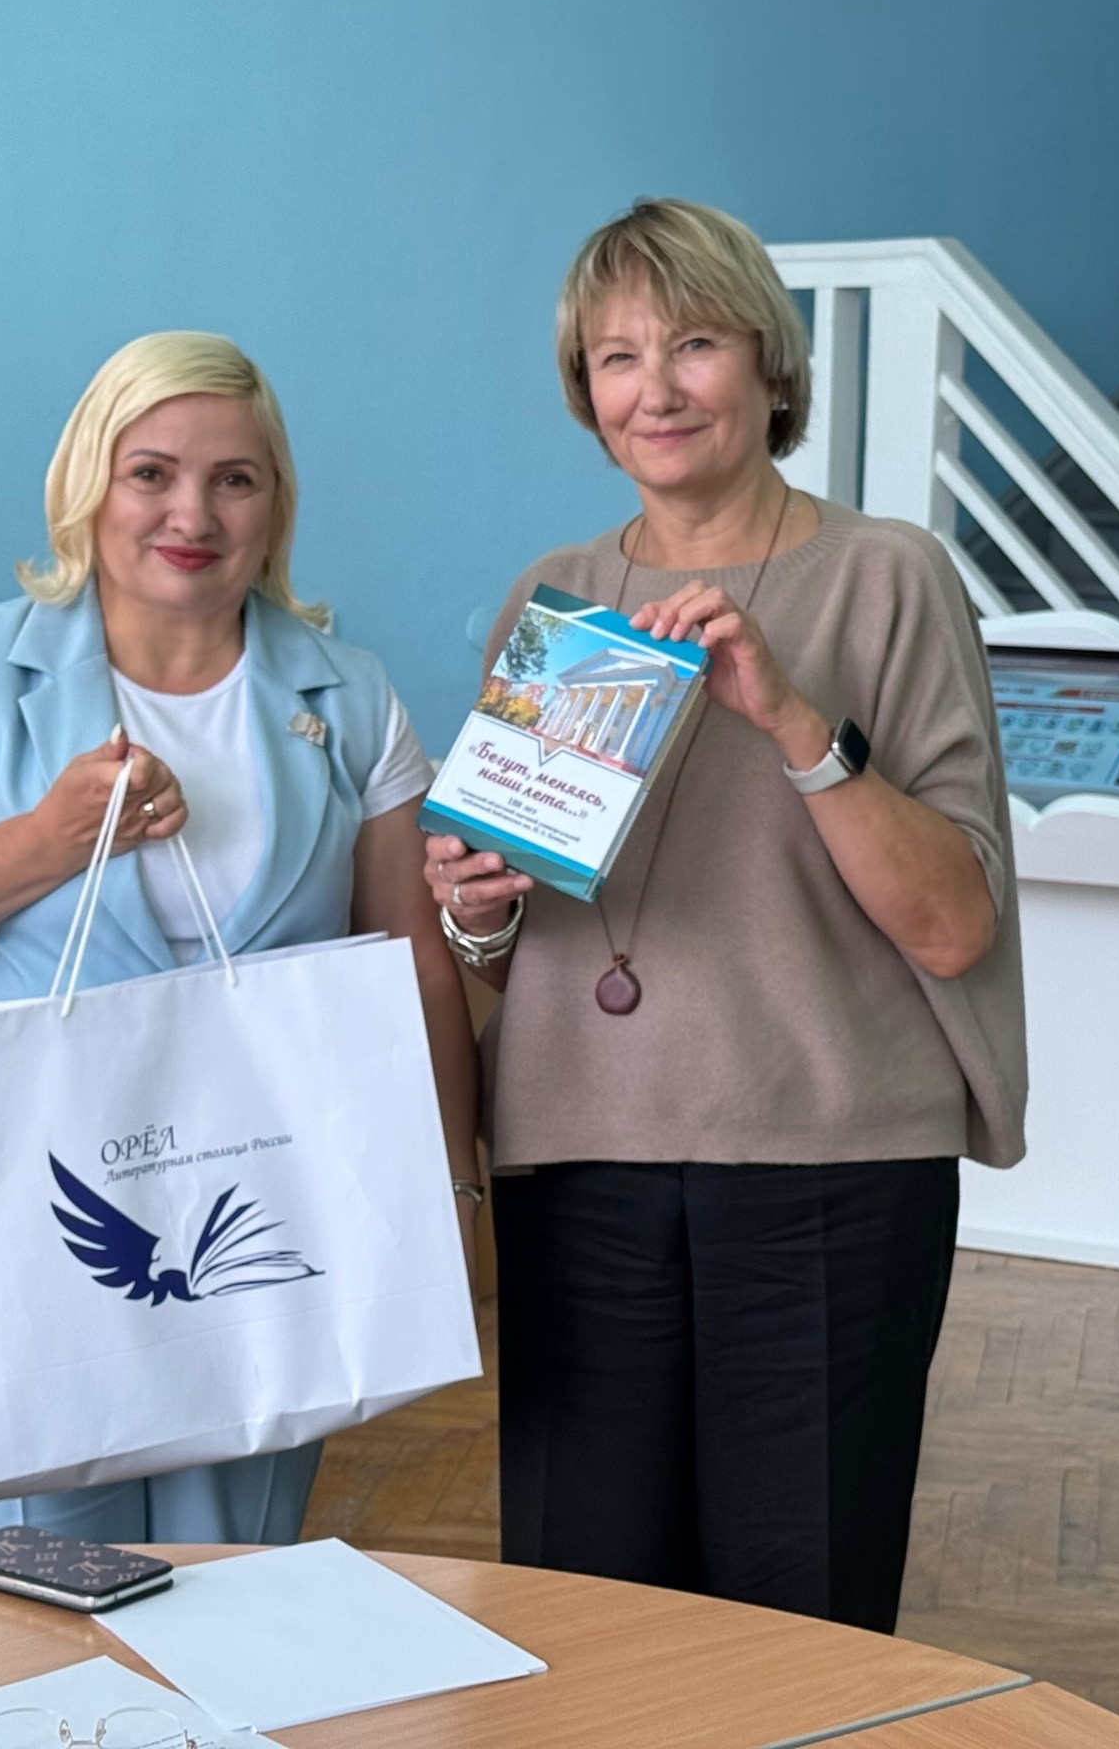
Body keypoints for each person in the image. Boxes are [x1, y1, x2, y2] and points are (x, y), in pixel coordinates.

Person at [422, 199, 1027, 1631]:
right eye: (616, 356)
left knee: (800, 1608)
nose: (656, 387)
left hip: (829, 1163)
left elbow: (955, 927)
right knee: (585, 1607)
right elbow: (503, 949)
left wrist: (795, 723)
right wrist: (474, 909)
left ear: (768, 365)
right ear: (586, 391)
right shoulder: (556, 597)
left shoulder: (888, 577)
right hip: (578, 1161)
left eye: (692, 343)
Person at [0, 329, 482, 1547]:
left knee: (244, 1583)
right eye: (152, 473)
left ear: (276, 507)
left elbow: (411, 967)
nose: (193, 514)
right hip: (32, 1229)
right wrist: (51, 838)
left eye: (236, 479)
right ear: (89, 485)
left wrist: (446, 1188)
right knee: (35, 1606)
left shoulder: (353, 696)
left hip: (262, 1228)